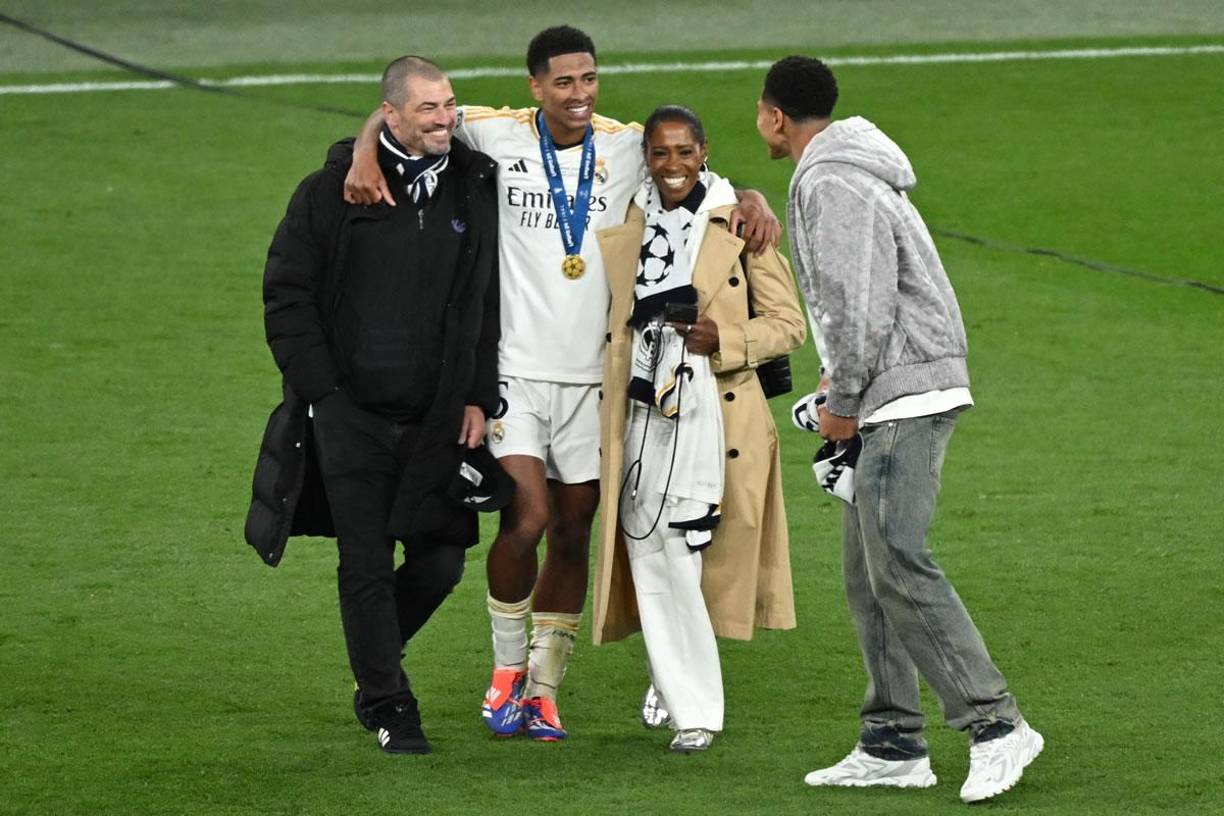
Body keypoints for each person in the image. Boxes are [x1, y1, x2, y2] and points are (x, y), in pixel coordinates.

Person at [344, 26, 782, 741]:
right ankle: (506, 672)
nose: (580, 96)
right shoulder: (493, 134)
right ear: (536, 87)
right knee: (527, 519)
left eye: (589, 80)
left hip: (597, 378)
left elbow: (696, 178)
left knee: (576, 528)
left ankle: (545, 689)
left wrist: (755, 198)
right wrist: (365, 147)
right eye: (565, 83)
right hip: (516, 369)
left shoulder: (624, 145)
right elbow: (407, 115)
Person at [755, 55, 1043, 802]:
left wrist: (844, 396)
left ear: (774, 116)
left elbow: (861, 300)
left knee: (900, 563)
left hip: (902, 393)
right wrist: (835, 383)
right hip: (894, 382)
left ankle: (997, 724)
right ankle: (892, 743)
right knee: (869, 573)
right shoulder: (848, 168)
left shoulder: (828, 180)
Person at [243, 56, 501, 755]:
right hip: (350, 416)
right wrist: (324, 391)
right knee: (363, 562)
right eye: (428, 109)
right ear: (390, 115)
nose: (446, 119)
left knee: (444, 559)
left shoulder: (474, 186)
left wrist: (479, 395)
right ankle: (390, 704)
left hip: (437, 417)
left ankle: (373, 664)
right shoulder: (331, 192)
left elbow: (486, 302)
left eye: (449, 105)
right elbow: (286, 294)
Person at [592, 105, 806, 752]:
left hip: (714, 409)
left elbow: (789, 324)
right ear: (646, 158)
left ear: (705, 151)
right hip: (638, 409)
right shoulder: (625, 217)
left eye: (685, 151)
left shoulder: (740, 223)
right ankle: (675, 677)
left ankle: (694, 706)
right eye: (660, 153)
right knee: (649, 544)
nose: (673, 165)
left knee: (682, 548)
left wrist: (728, 339)